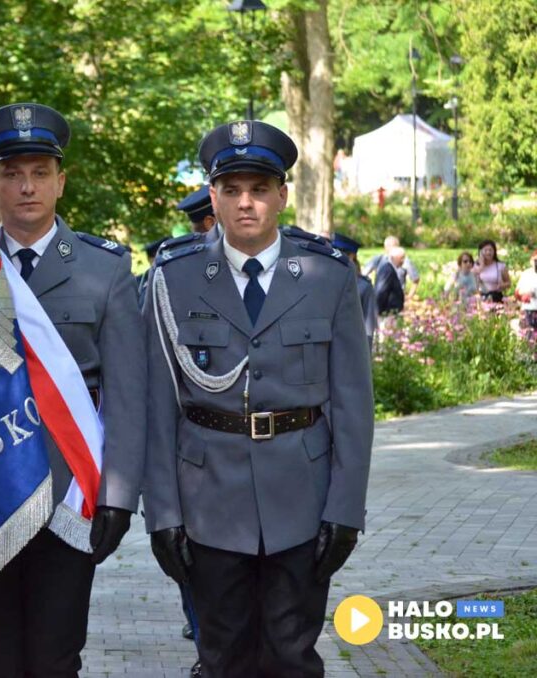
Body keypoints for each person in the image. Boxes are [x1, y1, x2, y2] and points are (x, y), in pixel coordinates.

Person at [143, 120, 373, 677]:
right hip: (208, 503)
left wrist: (345, 511)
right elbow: (156, 407)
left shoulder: (327, 276)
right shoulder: (173, 278)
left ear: (282, 195)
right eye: (232, 189)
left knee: (293, 657)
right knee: (221, 658)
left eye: (260, 189)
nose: (246, 202)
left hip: (302, 499)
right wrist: (162, 515)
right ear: (214, 196)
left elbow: (353, 405)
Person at [0, 102, 146, 677]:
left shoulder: (104, 270)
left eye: (40, 173)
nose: (27, 187)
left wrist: (118, 496)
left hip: (69, 497)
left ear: (60, 182)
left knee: (54, 659)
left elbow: (126, 395)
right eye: (12, 174)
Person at [333, 232, 379, 347]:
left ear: (352, 256)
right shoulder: (326, 280)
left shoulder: (364, 286)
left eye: (341, 252)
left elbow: (368, 325)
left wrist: (366, 352)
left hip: (351, 346)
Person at [475, 238, 511, 303]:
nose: (488, 252)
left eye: (490, 250)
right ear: (480, 252)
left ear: (494, 251)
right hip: (481, 297)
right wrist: (481, 265)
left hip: (496, 297)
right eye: (485, 250)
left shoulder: (500, 265)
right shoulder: (476, 266)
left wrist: (502, 285)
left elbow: (508, 283)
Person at [374, 246, 406, 316]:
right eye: (401, 258)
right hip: (387, 312)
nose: (403, 261)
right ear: (393, 257)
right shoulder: (387, 270)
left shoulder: (389, 268)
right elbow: (381, 291)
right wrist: (379, 312)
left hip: (390, 312)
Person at [514, 250, 537, 330]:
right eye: (535, 260)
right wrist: (524, 293)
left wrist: (534, 293)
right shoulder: (526, 273)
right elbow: (517, 292)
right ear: (531, 261)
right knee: (529, 333)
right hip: (528, 309)